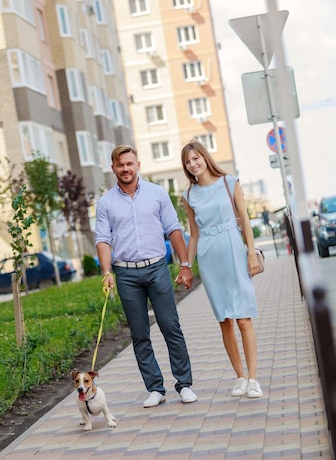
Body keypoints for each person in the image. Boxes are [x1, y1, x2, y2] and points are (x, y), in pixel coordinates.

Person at [95, 145, 197, 408]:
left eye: (129, 164)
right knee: (140, 334)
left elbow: (174, 229)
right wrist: (106, 273)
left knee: (170, 326)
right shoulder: (106, 202)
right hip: (126, 273)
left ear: (138, 164)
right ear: (113, 168)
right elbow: (103, 239)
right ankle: (155, 388)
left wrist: (185, 264)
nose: (126, 169)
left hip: (156, 268)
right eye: (120, 165)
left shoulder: (156, 193)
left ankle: (184, 385)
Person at [177, 140, 263, 399]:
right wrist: (187, 266)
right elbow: (193, 234)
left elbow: (245, 219)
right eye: (188, 162)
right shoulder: (188, 195)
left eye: (196, 158)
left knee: (243, 318)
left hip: (234, 251)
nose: (193, 164)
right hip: (209, 255)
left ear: (205, 157)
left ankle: (254, 379)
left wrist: (250, 252)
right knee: (224, 320)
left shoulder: (229, 182)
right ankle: (240, 377)